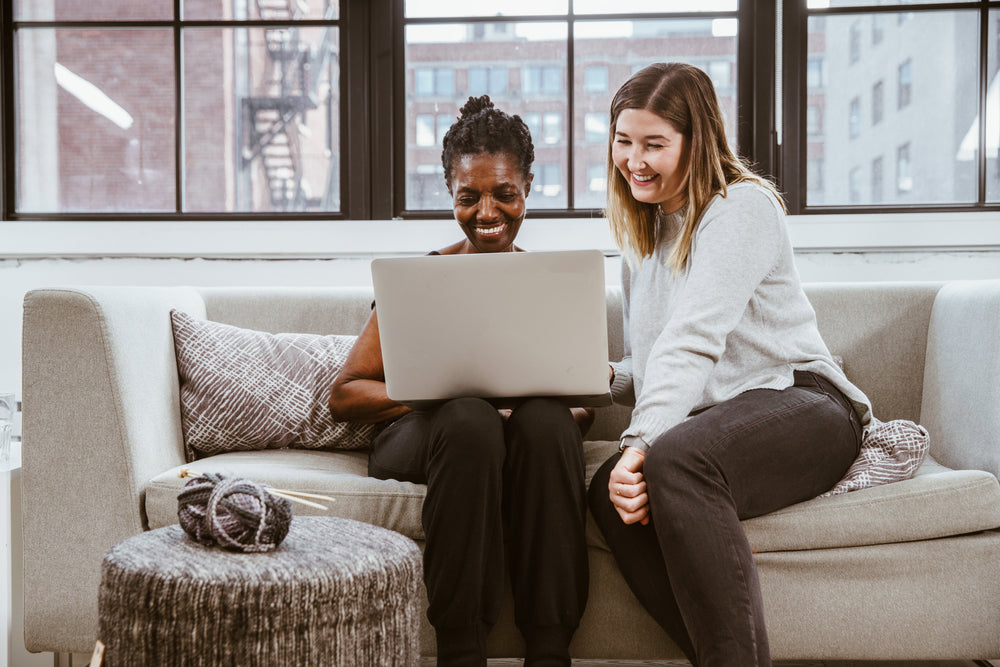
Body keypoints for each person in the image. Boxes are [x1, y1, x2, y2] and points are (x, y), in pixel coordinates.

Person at [587, 62, 873, 666]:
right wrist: (583, 378)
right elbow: (652, 363)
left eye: (654, 144)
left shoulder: (740, 206)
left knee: (672, 461)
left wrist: (639, 442)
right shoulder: (644, 235)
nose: (633, 160)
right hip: (723, 420)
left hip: (807, 402)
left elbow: (694, 340)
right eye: (623, 141)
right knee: (604, 490)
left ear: (698, 141)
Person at [329, 95, 592, 667]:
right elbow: (345, 395)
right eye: (468, 197)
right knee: (470, 418)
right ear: (451, 194)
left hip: (520, 437)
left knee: (546, 422)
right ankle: (461, 646)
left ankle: (550, 647)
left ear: (527, 189)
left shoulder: (552, 284)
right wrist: (440, 392)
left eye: (504, 194)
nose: (487, 212)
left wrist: (523, 409)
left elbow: (582, 406)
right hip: (431, 436)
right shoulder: (421, 279)